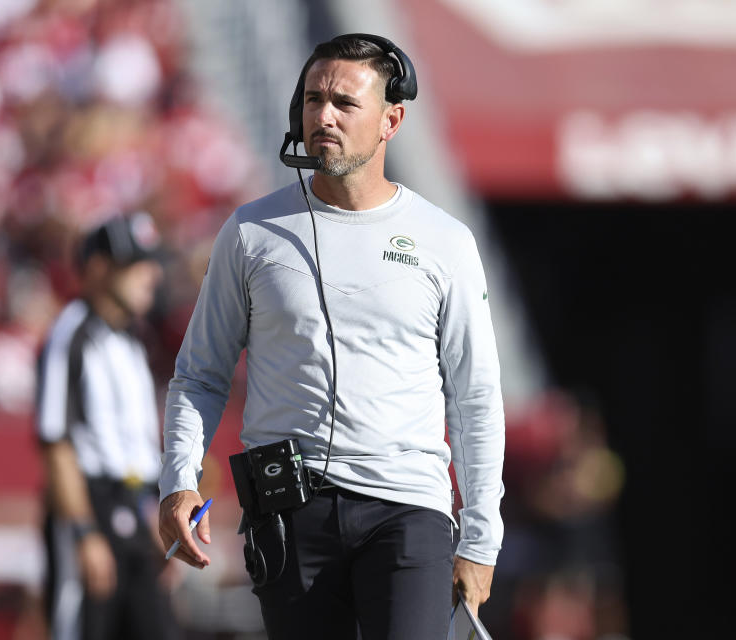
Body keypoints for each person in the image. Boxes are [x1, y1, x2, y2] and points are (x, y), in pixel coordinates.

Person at [158, 33, 505, 639]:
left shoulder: (444, 240)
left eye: (345, 103)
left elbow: (476, 396)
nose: (323, 116)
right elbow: (200, 373)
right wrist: (179, 481)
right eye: (313, 99)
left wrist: (481, 539)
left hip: (409, 510)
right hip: (291, 509)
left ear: (391, 120)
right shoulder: (250, 233)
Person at [37, 213, 176, 640]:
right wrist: (84, 533)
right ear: (98, 267)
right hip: (93, 506)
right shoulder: (72, 335)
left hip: (137, 508)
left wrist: (161, 520)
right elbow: (55, 442)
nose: (150, 274)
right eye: (135, 262)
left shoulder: (133, 339)